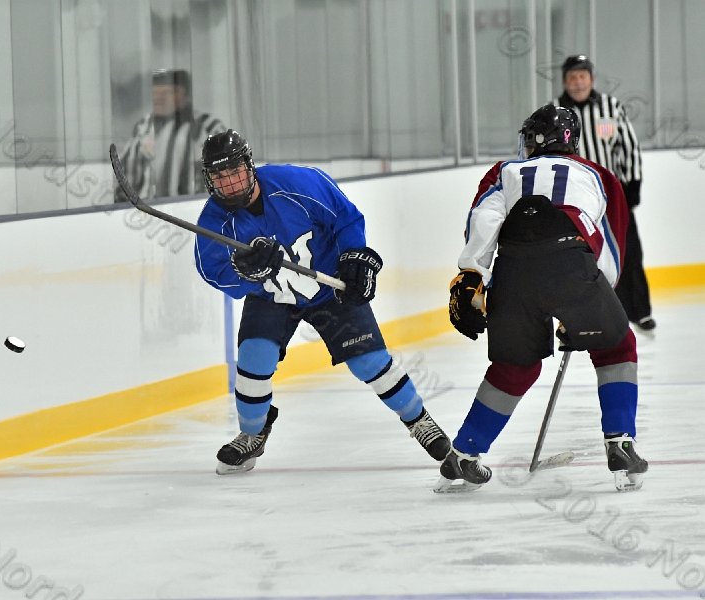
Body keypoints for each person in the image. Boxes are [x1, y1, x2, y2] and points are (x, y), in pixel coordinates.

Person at [193, 129, 451, 475]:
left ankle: (419, 420)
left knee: (370, 362)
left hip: (329, 287)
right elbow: (213, 271)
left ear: (249, 165)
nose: (229, 182)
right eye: (219, 176)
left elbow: (346, 218)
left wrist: (354, 257)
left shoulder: (297, 184)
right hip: (271, 296)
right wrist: (247, 273)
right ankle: (253, 433)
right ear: (210, 181)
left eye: (234, 171)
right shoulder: (215, 221)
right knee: (255, 359)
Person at [439, 105, 648, 493]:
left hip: (514, 269)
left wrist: (471, 276)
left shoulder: (505, 171)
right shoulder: (598, 175)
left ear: (536, 140)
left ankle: (464, 455)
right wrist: (594, 302)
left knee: (514, 365)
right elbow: (609, 245)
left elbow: (484, 221)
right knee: (616, 346)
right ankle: (620, 443)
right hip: (572, 264)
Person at [555, 54, 654, 332]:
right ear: (565, 81)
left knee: (629, 251)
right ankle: (576, 319)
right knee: (576, 256)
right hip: (576, 199)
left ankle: (639, 311)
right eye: (572, 77)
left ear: (592, 79)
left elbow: (628, 146)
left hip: (613, 196)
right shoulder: (556, 112)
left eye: (582, 76)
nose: (577, 82)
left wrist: (632, 186)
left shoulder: (610, 107)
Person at [116, 69, 225, 201]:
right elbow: (126, 180)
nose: (158, 98)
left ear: (186, 96)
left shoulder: (209, 127)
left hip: (192, 211)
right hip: (148, 214)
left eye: (167, 92)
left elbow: (225, 178)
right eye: (155, 92)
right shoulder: (143, 127)